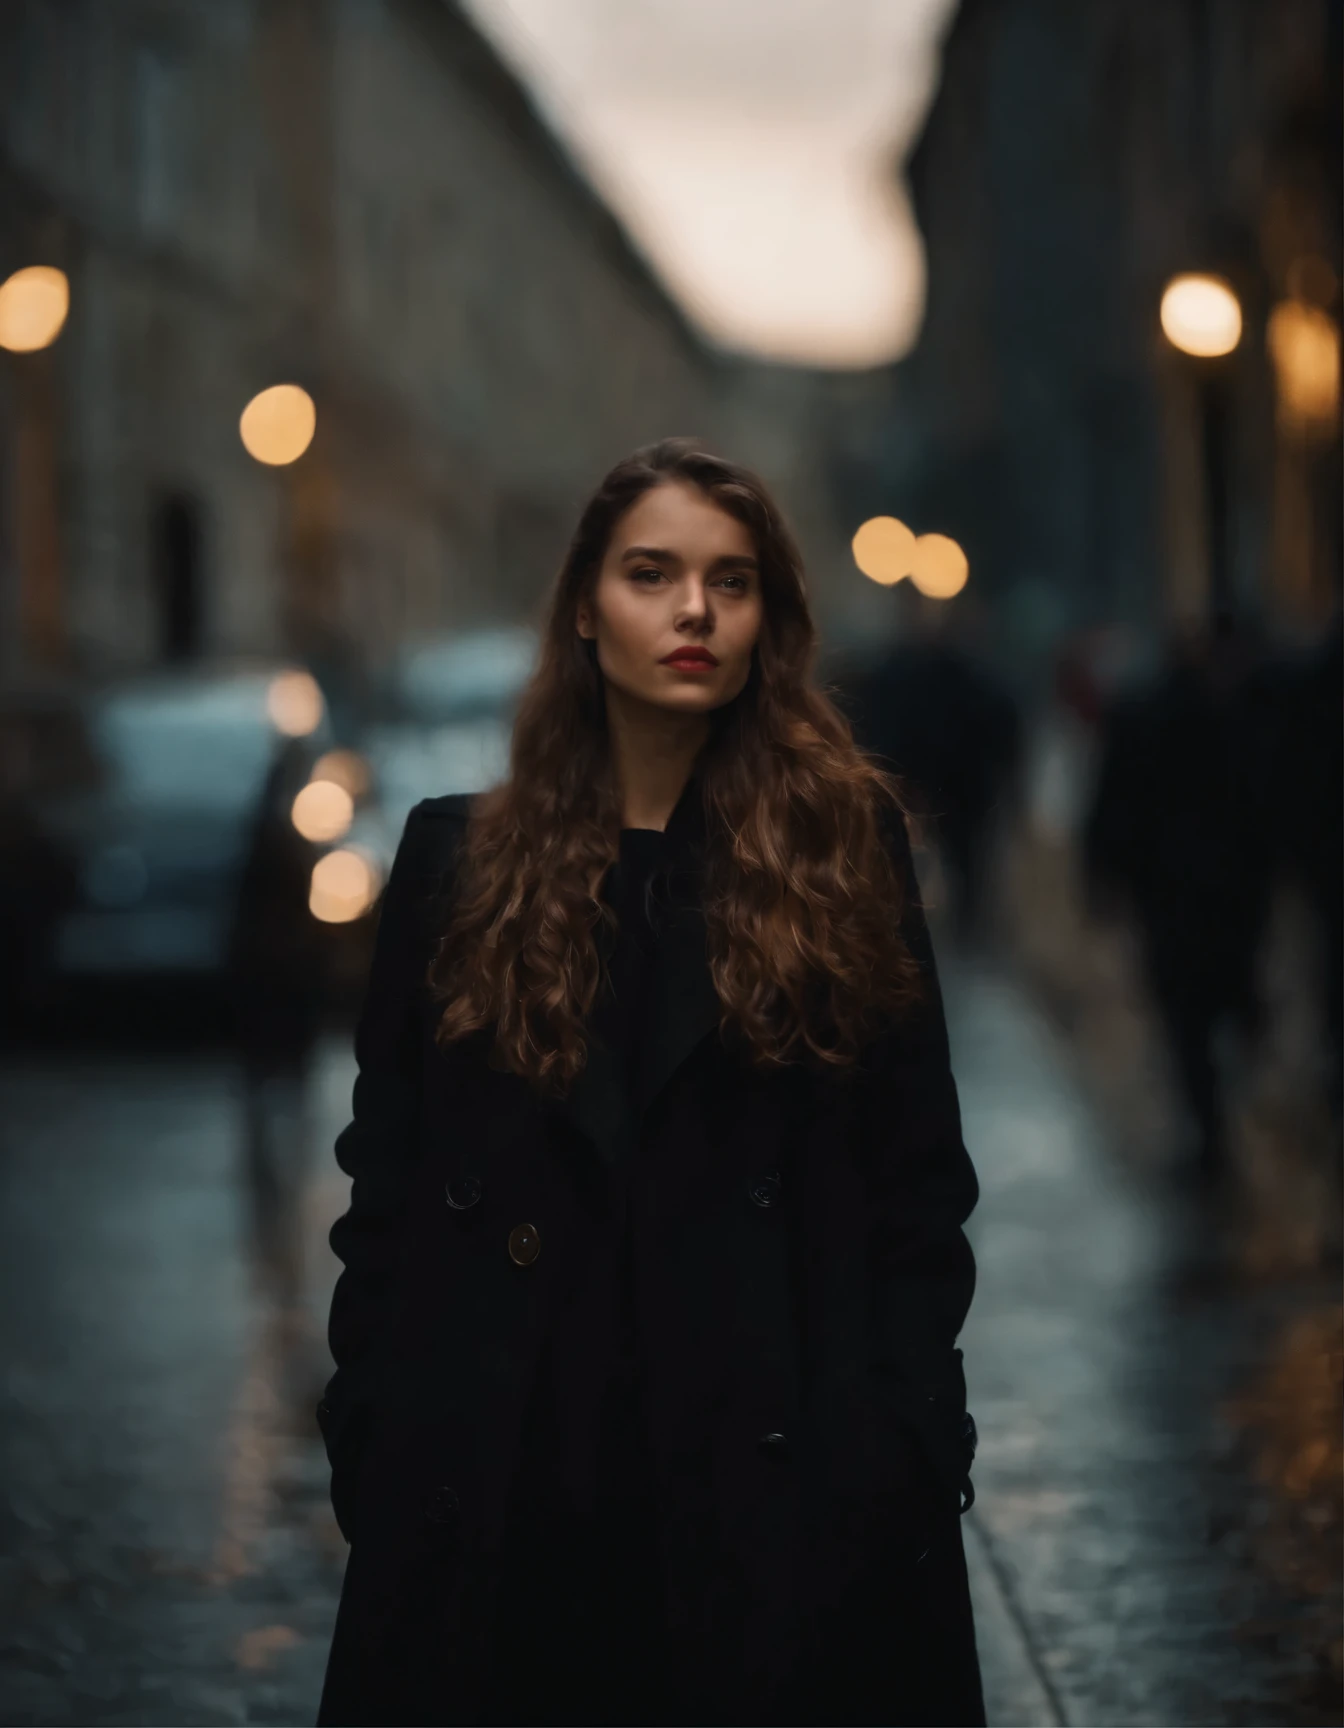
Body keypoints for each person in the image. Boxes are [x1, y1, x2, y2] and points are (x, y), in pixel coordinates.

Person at [314, 440, 984, 1727]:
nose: (693, 610)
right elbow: (385, 1188)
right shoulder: (460, 863)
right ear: (585, 605)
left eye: (730, 582)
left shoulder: (842, 853)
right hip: (514, 1473)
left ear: (765, 622)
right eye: (651, 573)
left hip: (775, 1490)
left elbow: (919, 1185)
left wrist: (897, 1443)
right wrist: (378, 1431)